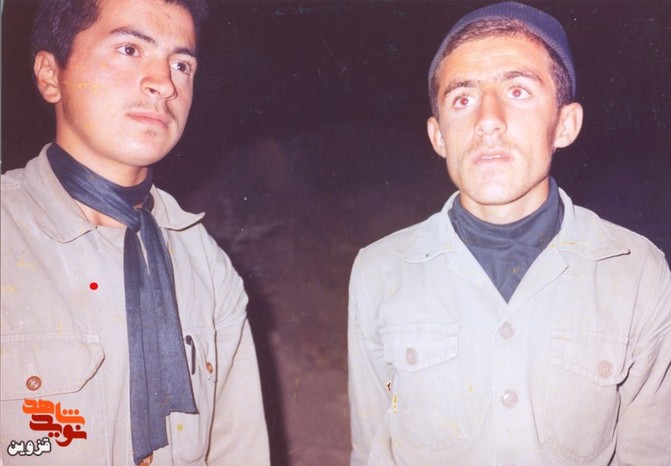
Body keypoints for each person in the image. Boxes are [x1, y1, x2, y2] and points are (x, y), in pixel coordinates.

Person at [347, 2, 671, 465]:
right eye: (463, 99)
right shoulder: (380, 272)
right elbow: (372, 449)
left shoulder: (638, 274)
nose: (487, 120)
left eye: (517, 91)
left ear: (564, 125)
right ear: (439, 137)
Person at [0, 0, 269, 464]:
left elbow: (238, 451)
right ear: (50, 75)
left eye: (181, 64)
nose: (164, 83)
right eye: (129, 49)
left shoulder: (204, 263)